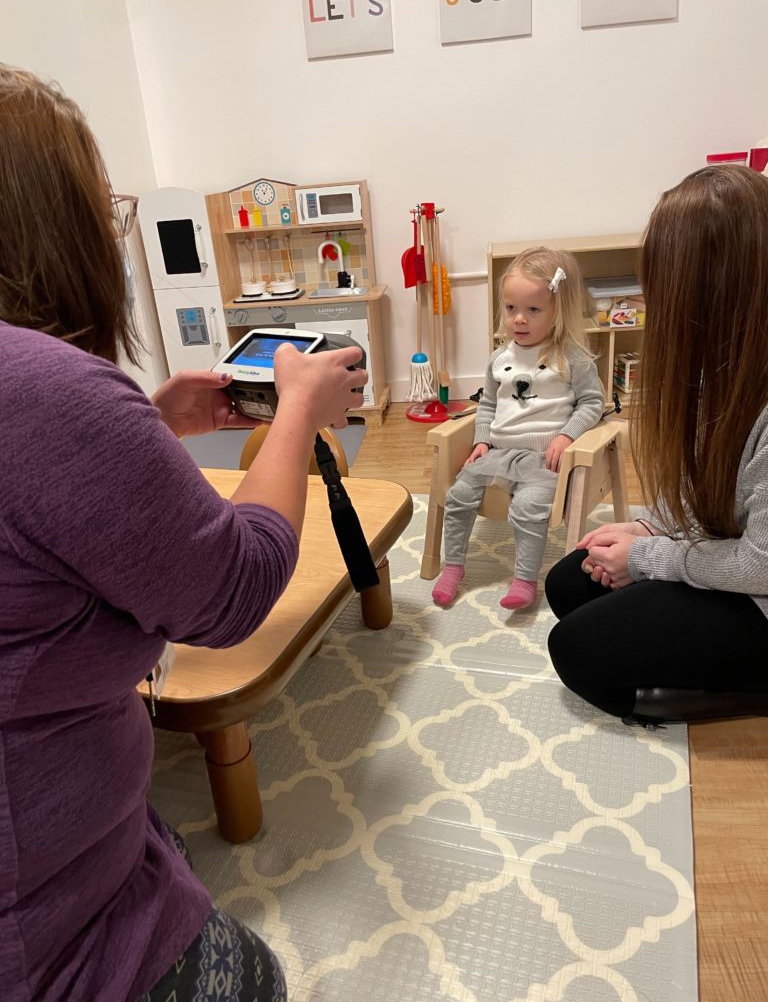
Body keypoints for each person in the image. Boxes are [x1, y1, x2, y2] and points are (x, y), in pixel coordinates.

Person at [0, 64, 367, 1002]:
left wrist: (143, 430)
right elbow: (237, 588)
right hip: (50, 938)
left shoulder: (50, 401)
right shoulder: (46, 388)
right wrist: (296, 414)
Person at [545, 165, 768, 725]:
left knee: (579, 651)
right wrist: (652, 526)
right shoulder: (726, 372)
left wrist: (648, 557)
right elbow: (717, 491)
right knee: (570, 582)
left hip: (760, 588)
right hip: (738, 561)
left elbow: (760, 565)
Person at [431, 247, 604, 610]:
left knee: (528, 507)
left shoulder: (571, 356)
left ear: (559, 311)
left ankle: (524, 579)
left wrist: (566, 435)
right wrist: (480, 441)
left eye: (533, 310)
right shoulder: (499, 358)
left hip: (544, 459)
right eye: (511, 309)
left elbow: (592, 403)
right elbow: (489, 405)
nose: (519, 319)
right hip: (498, 451)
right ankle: (453, 568)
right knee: (459, 495)